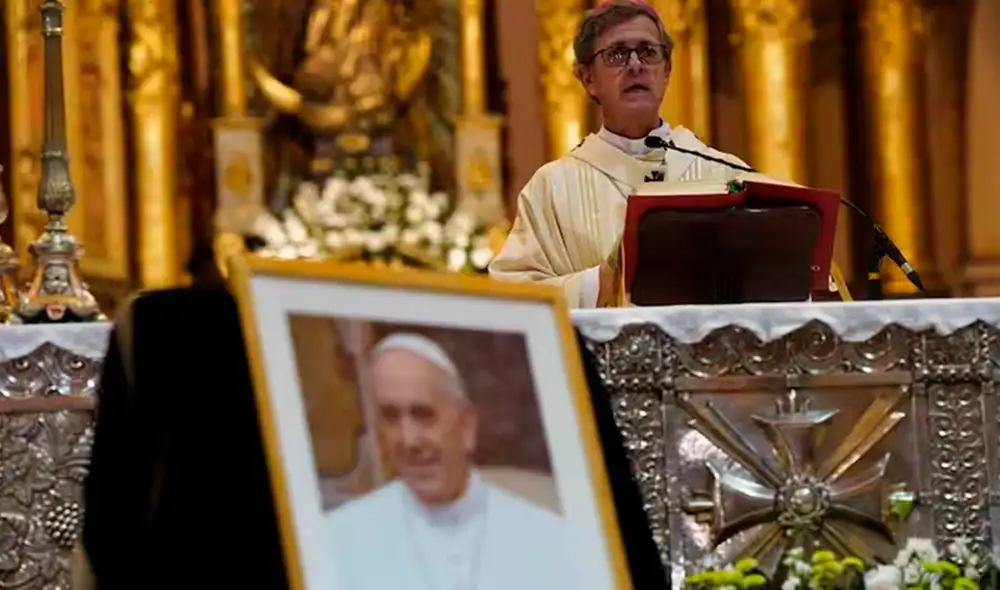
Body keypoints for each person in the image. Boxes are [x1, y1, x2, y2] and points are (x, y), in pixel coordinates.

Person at [489, 0, 846, 307]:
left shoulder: (730, 177)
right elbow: (509, 298)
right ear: (588, 79)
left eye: (647, 52)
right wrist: (600, 283)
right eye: (616, 54)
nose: (635, 65)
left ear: (666, 70)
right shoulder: (552, 188)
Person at [325, 333, 569, 590]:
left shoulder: (550, 537)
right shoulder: (337, 538)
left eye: (423, 414)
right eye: (391, 417)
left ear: (466, 426)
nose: (409, 441)